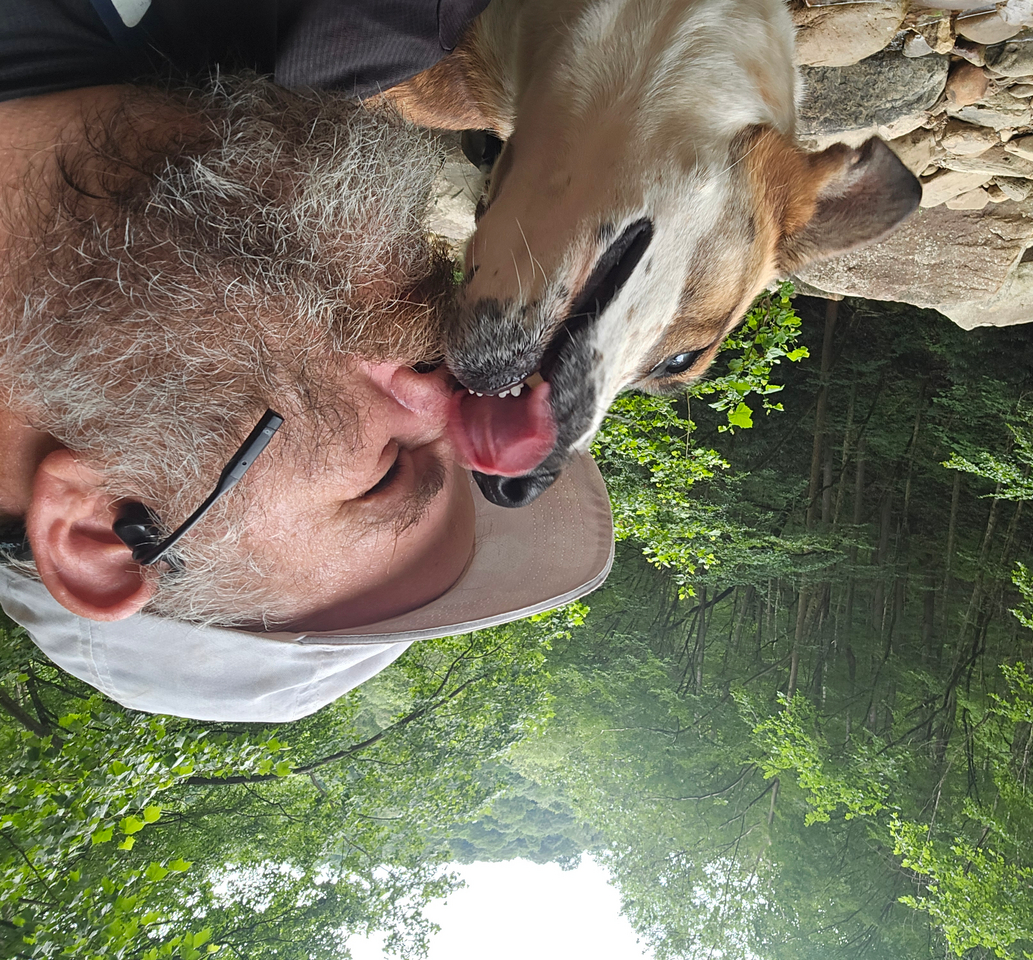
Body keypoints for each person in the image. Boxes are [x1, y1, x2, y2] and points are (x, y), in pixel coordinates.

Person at [0, 1, 614, 721]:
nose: (453, 384)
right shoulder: (376, 27)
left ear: (105, 526)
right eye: (467, 422)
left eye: (388, 471)